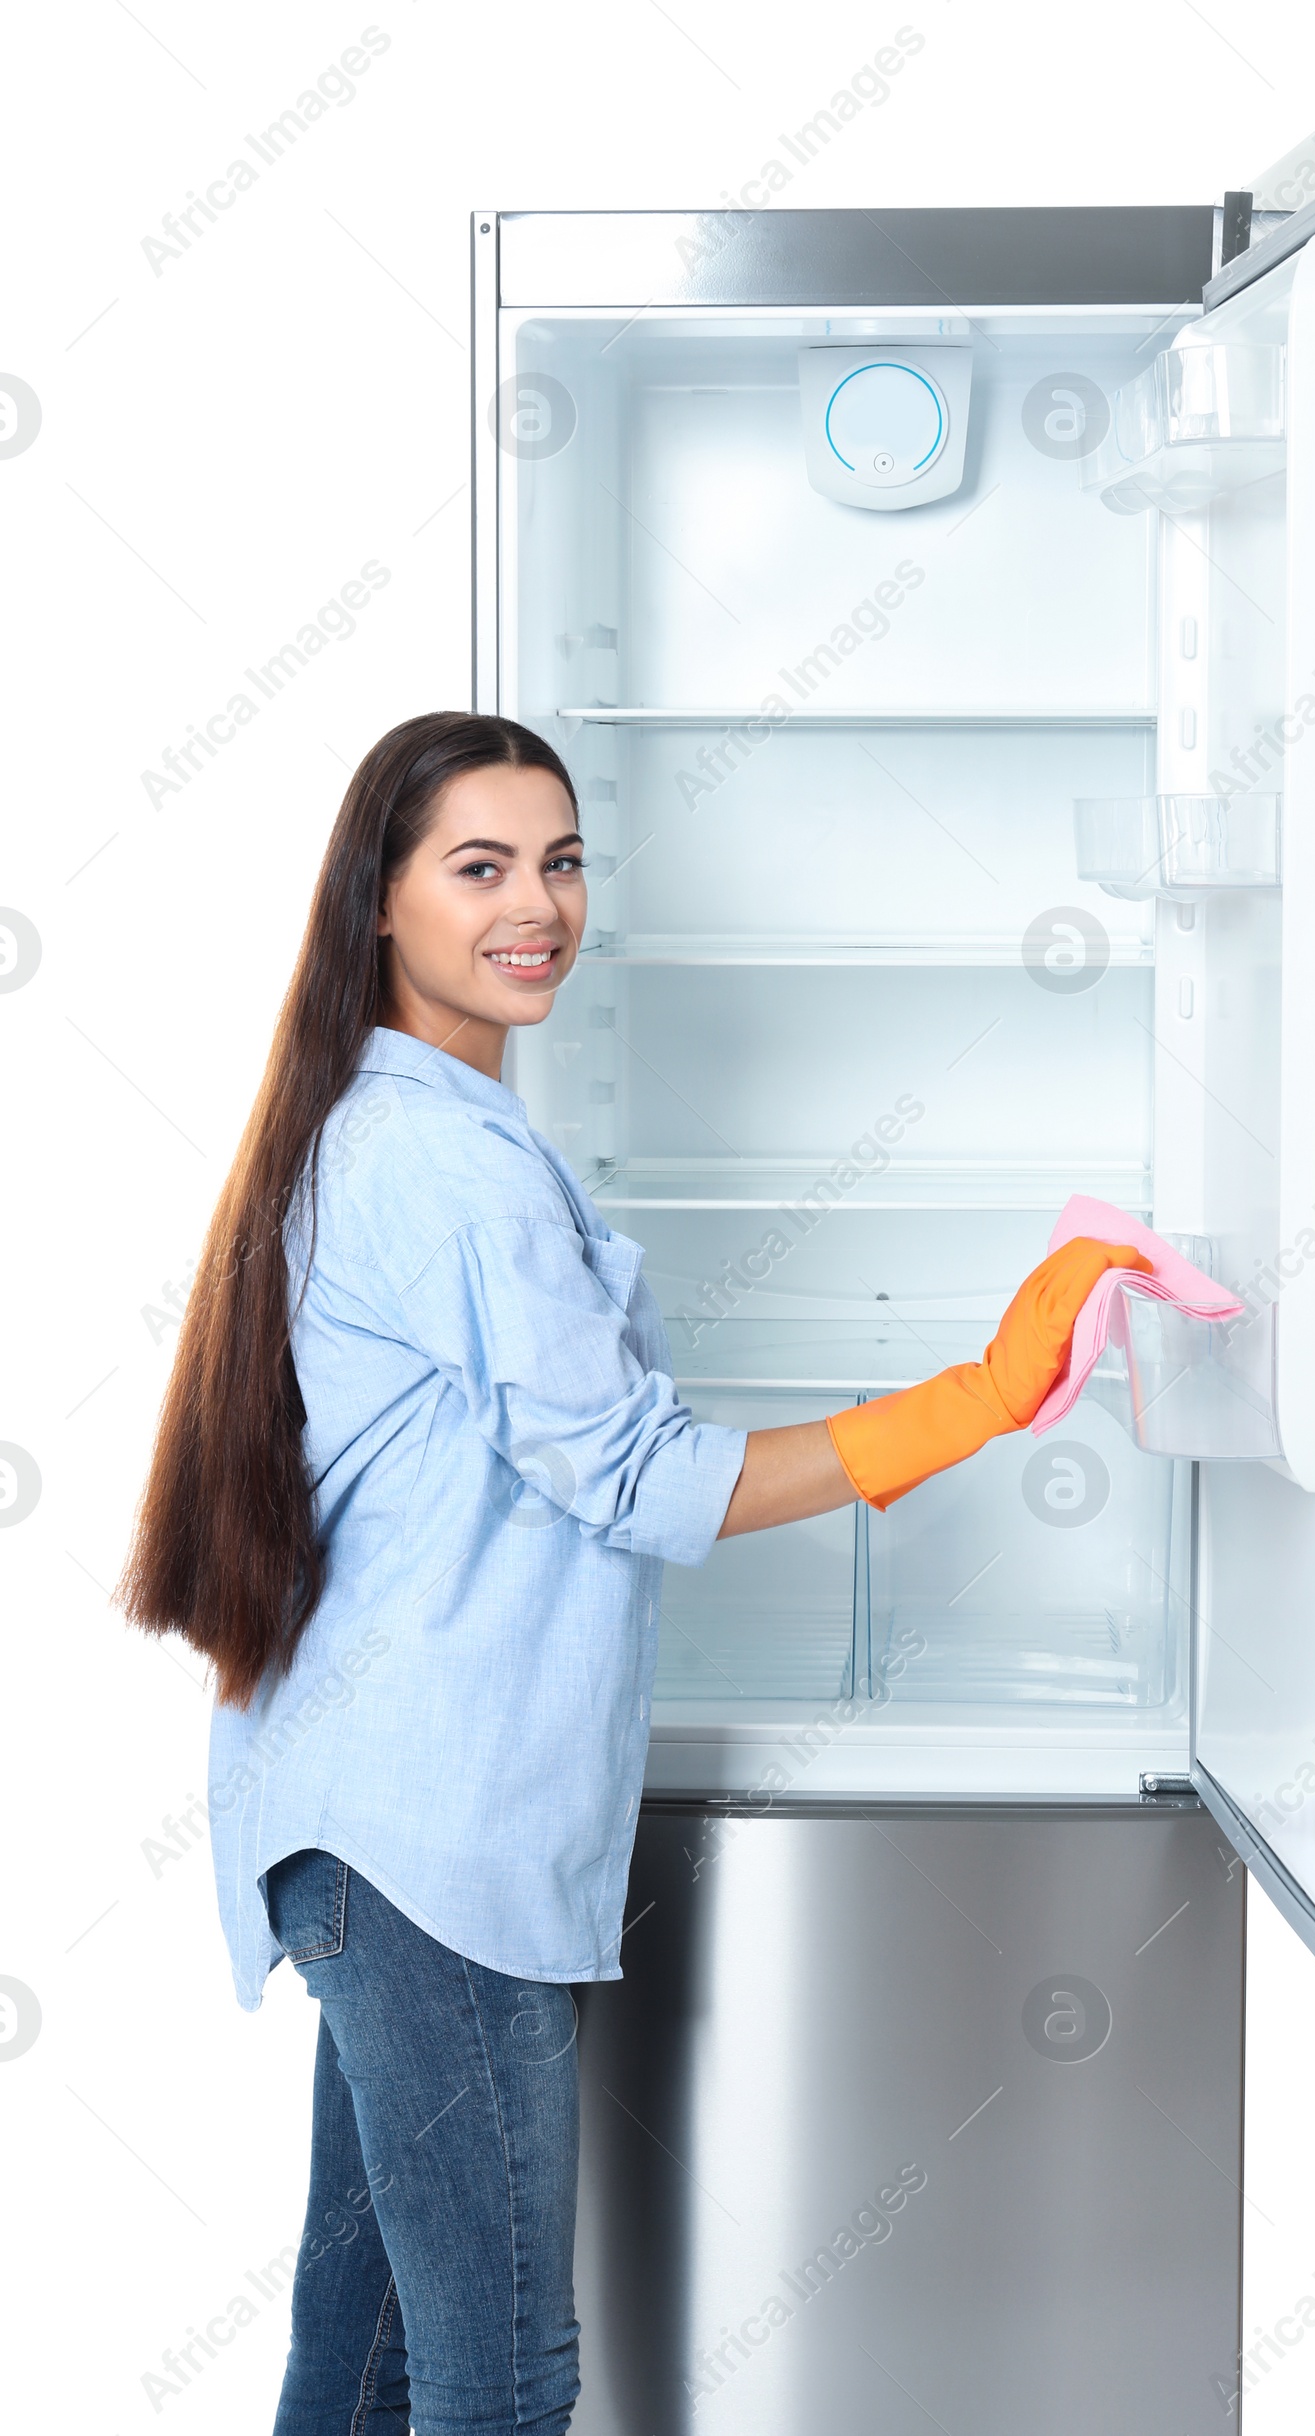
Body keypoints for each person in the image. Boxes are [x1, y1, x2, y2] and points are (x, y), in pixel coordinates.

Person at [119, 711, 1149, 2435]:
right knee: (501, 2379)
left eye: (565, 860)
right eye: (482, 866)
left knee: (366, 2357)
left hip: (372, 1834)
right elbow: (645, 1483)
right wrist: (974, 1401)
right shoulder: (444, 1163)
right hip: (431, 1852)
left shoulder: (393, 1123)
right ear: (378, 899)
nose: (539, 905)